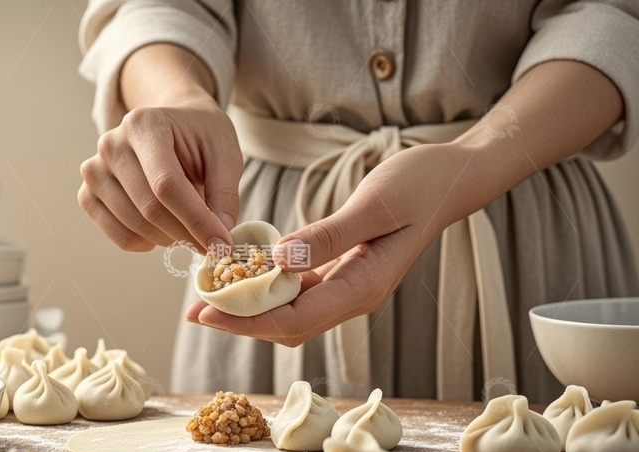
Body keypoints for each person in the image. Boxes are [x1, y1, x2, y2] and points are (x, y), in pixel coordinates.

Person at [76, 1, 639, 404]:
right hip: (284, 203)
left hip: (519, 207)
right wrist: (178, 97)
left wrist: (476, 159)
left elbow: (612, 15)